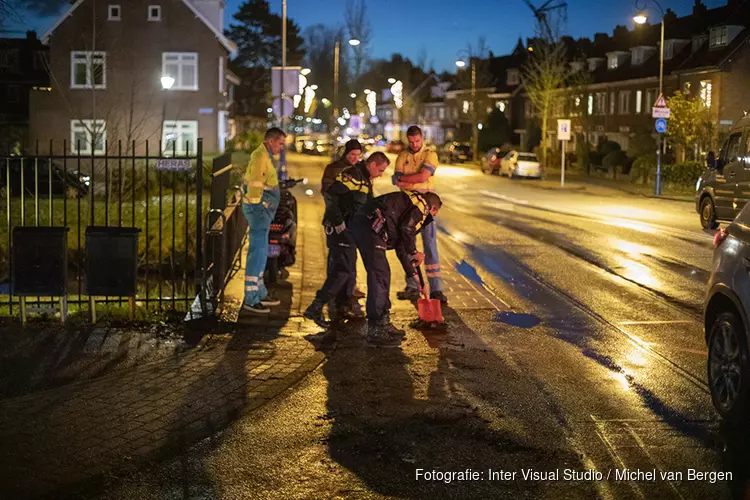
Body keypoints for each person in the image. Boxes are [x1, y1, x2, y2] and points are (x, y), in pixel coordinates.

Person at [304, 152, 391, 328]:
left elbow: (366, 205)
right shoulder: (353, 175)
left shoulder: (365, 179)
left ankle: (342, 307)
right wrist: (338, 222)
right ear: (373, 164)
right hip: (340, 230)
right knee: (343, 270)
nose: (381, 174)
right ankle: (316, 306)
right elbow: (331, 194)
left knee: (349, 269)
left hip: (350, 229)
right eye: (381, 170)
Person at [350, 190, 443, 347]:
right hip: (369, 227)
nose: (431, 217)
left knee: (383, 274)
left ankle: (384, 322)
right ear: (433, 208)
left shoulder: (410, 207)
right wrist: (414, 252)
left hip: (370, 228)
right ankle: (377, 329)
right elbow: (407, 230)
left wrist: (413, 275)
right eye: (434, 213)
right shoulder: (421, 206)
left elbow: (401, 246)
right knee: (380, 275)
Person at [392, 126, 447, 304]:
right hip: (407, 207)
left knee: (430, 246)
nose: (415, 144)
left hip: (426, 206)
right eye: (412, 141)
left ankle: (436, 289)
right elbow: (396, 180)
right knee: (408, 246)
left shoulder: (430, 154)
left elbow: (423, 176)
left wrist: (407, 179)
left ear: (422, 138)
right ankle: (413, 286)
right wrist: (413, 178)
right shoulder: (402, 156)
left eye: (417, 141)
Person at [241, 127, 285, 314]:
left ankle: (259, 292)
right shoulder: (260, 157)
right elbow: (254, 189)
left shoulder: (263, 156)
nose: (282, 147)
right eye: (281, 143)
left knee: (261, 252)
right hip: (259, 212)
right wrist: (263, 207)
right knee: (257, 253)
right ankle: (251, 299)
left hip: (260, 212)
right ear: (271, 141)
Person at [321, 139, 367, 304]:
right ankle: (333, 291)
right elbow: (328, 194)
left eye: (358, 155)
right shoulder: (333, 169)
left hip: (353, 221)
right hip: (336, 220)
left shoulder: (359, 170)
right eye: (352, 154)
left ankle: (350, 287)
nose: (355, 158)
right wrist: (337, 218)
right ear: (346, 153)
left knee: (351, 255)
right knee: (337, 256)